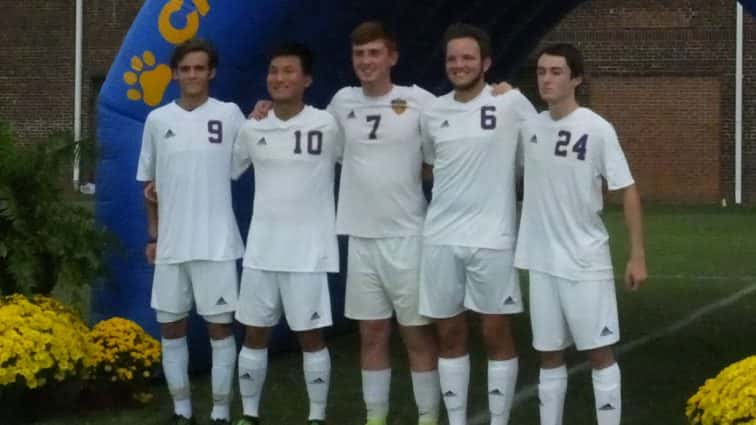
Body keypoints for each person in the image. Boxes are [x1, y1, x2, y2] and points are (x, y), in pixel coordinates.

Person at [513, 43, 647, 425]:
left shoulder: (597, 128)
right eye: (541, 72)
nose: (547, 79)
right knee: (549, 354)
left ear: (576, 78)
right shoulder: (530, 128)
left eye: (556, 72)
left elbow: (628, 190)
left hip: (585, 259)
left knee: (599, 353)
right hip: (541, 260)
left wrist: (637, 255)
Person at [418, 23, 537, 425]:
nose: (459, 65)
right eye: (453, 58)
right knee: (449, 334)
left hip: (493, 237)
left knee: (495, 333)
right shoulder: (433, 112)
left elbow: (538, 155)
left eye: (468, 57)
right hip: (440, 237)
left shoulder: (512, 104)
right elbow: (432, 166)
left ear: (486, 62)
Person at [231, 42, 343, 425]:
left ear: (307, 79)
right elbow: (228, 169)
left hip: (308, 254)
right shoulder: (252, 127)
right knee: (254, 335)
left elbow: (363, 159)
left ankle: (316, 415)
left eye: (289, 71)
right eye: (274, 71)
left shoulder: (327, 124)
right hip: (261, 253)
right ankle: (249, 413)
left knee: (311, 338)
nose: (279, 78)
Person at [136, 38, 245, 425]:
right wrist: (153, 233)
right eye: (186, 69)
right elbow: (148, 183)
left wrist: (266, 116)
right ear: (175, 74)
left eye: (200, 68)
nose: (193, 75)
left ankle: (219, 412)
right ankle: (181, 410)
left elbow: (251, 157)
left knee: (220, 328)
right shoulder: (157, 119)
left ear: (211, 72)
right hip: (171, 246)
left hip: (216, 243)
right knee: (171, 327)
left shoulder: (231, 114)